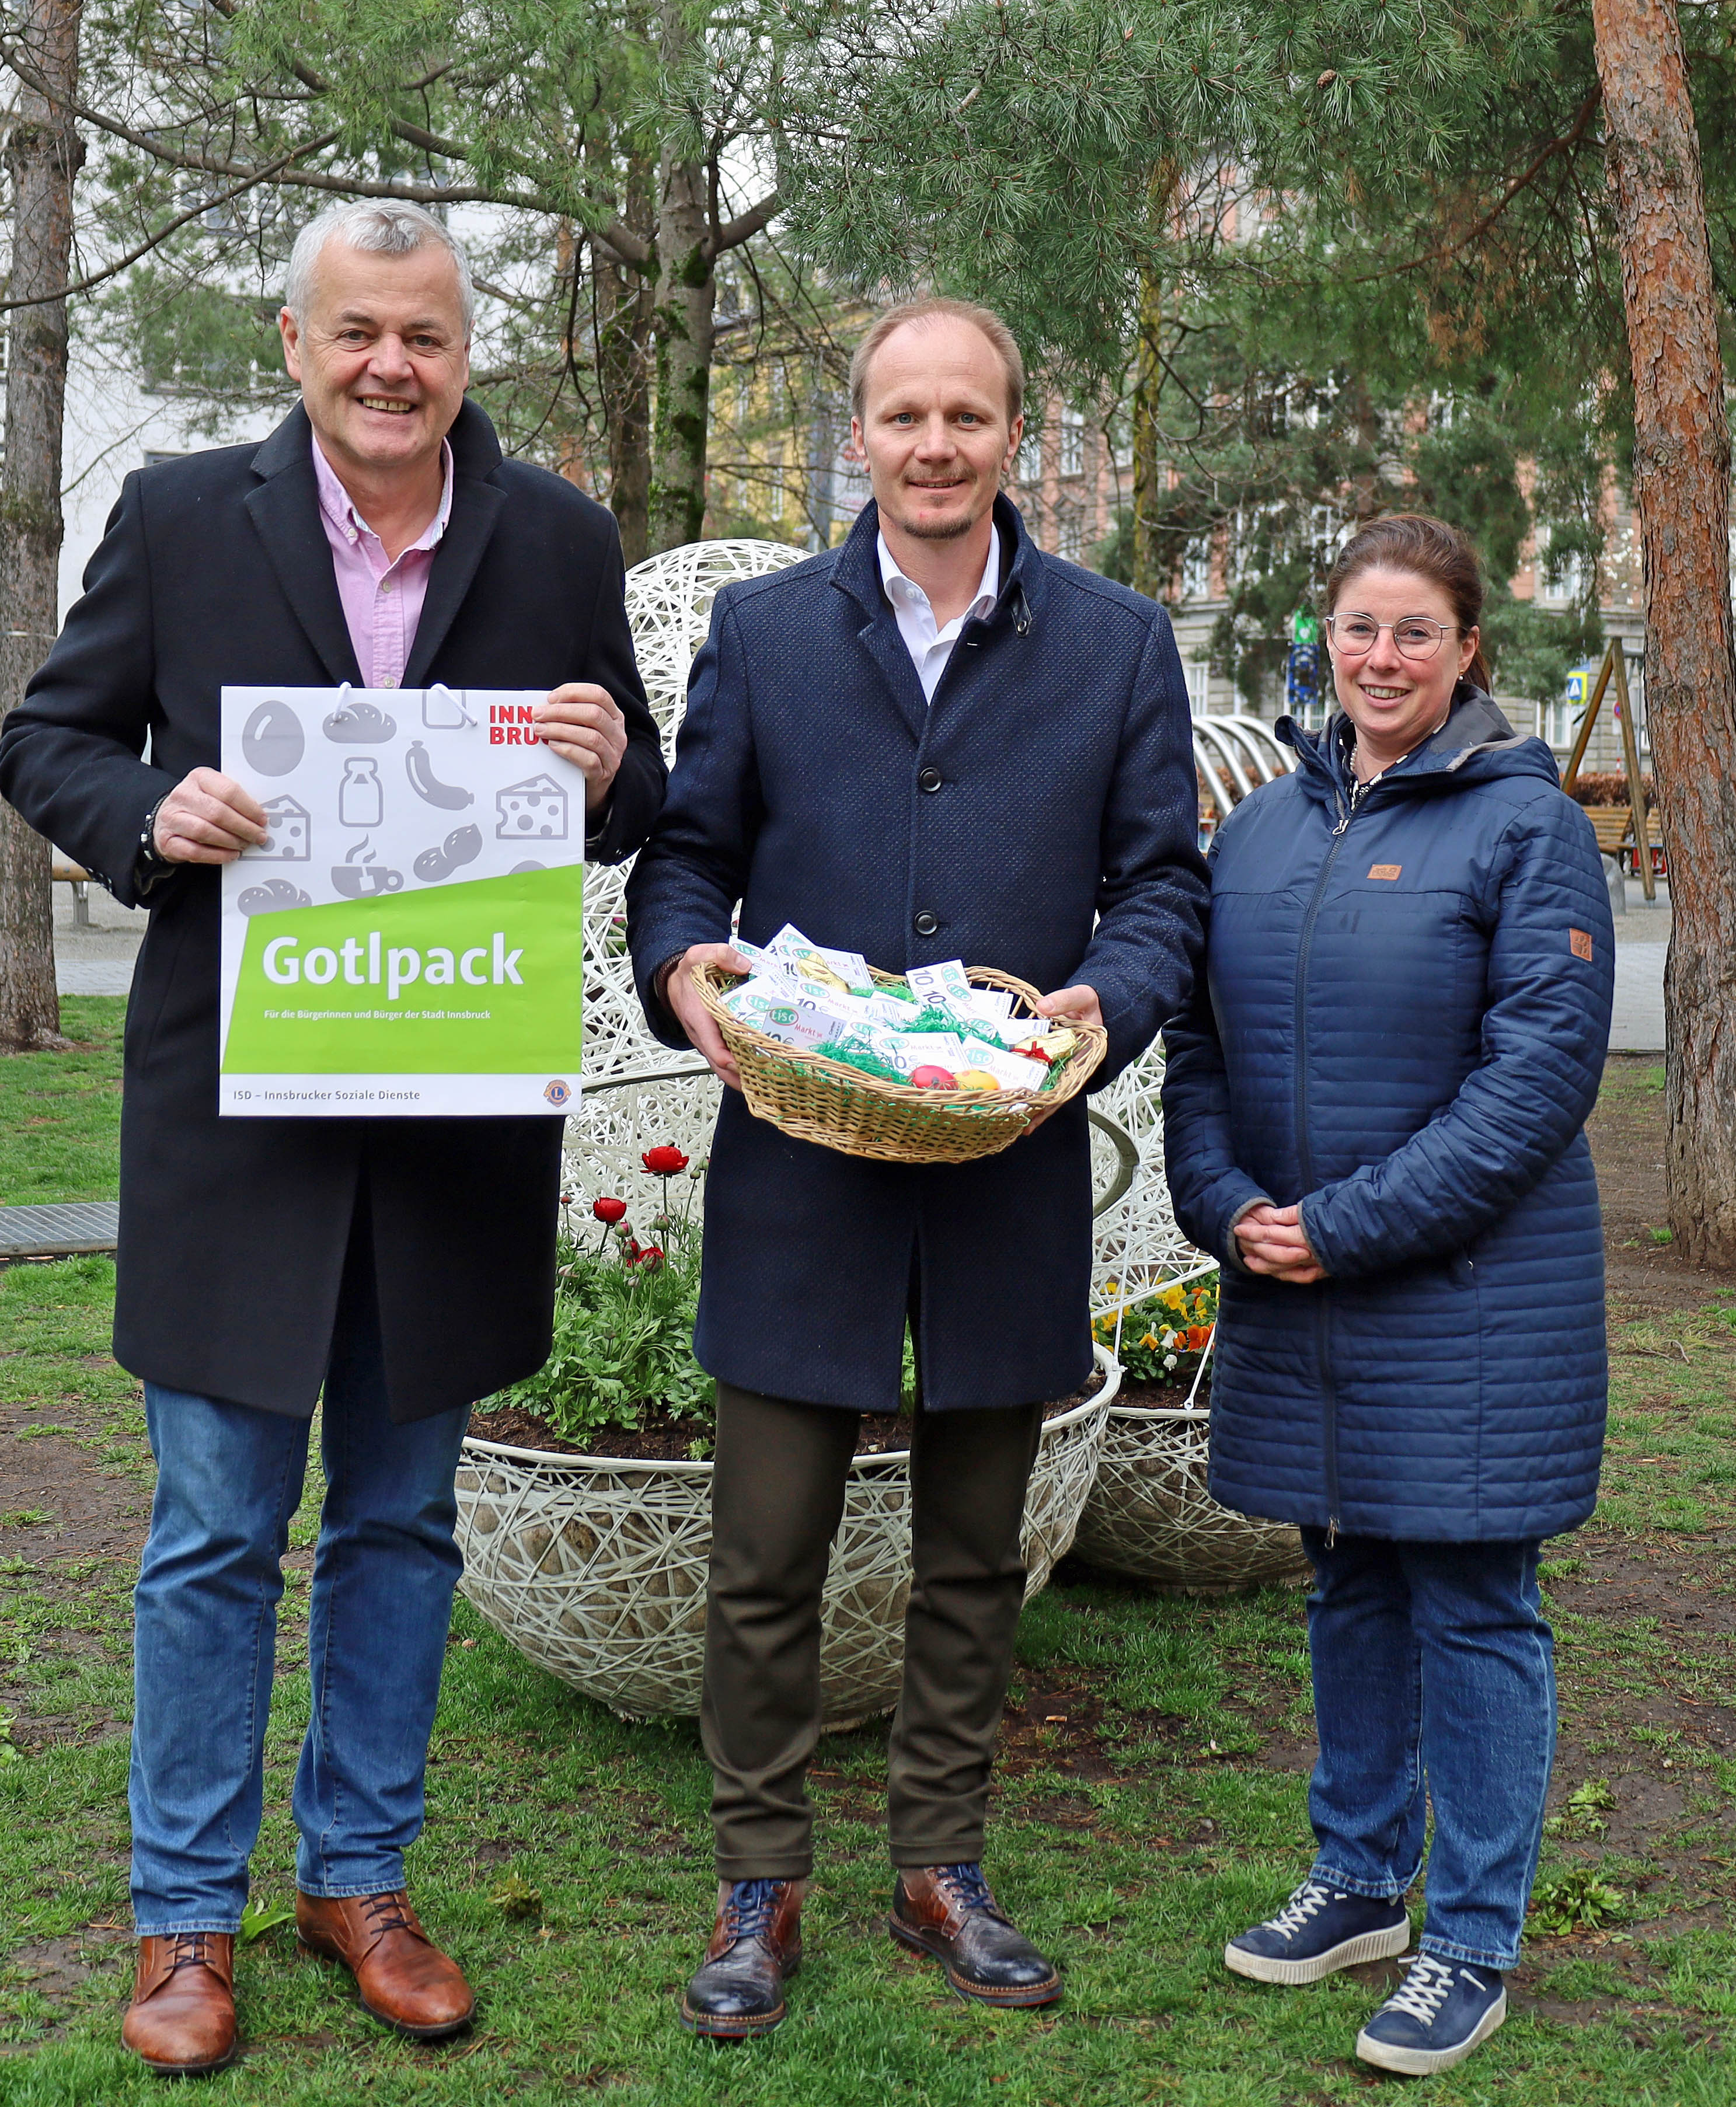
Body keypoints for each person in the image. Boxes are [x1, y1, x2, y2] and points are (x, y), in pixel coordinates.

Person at [0, 199, 664, 2076]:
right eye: (357, 332)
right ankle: (183, 1919)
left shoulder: (556, 540)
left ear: (469, 355)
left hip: (448, 1132)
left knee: (398, 1524)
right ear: (294, 343)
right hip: (239, 1122)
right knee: (213, 1531)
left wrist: (614, 772)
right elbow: (50, 738)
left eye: (427, 338)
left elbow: (637, 806)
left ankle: (357, 1878)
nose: (392, 366)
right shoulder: (183, 516)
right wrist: (155, 809)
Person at [626, 295, 1207, 2039]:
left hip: (1005, 1151)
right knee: (767, 1545)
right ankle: (759, 1878)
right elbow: (688, 856)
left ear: (1014, 435)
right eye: (904, 416)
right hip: (804, 1155)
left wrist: (1104, 1003)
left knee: (975, 1546)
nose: (935, 446)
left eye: (968, 416)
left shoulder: (1115, 644)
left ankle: (939, 1861)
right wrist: (682, 973)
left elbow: (1166, 886)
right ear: (857, 434)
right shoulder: (764, 629)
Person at [1161, 515, 1612, 2079]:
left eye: (1415, 631)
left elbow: (1536, 1083)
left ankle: (1470, 1939)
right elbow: (1199, 1048)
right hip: (1301, 1279)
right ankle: (1356, 1875)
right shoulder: (1266, 828)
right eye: (1359, 628)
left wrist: (1339, 1227)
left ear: (1469, 649)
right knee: (1343, 1573)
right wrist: (1224, 1208)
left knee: (1473, 1603)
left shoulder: (1524, 826)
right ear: (1324, 637)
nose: (1381, 658)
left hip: (1466, 1295)